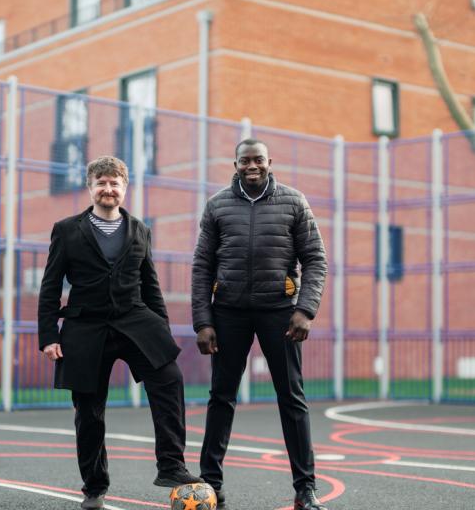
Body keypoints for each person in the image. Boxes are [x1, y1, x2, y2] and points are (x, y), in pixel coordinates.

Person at [38, 156, 201, 510]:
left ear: (125, 188)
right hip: (85, 326)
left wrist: (161, 329)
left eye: (115, 183)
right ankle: (94, 486)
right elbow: (50, 286)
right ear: (91, 187)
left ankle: (171, 466)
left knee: (169, 379)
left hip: (135, 320)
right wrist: (49, 335)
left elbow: (150, 284)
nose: (108, 189)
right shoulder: (66, 230)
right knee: (89, 411)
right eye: (102, 182)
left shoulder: (141, 230)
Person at [192, 139, 329, 510]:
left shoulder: (293, 201)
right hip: (229, 313)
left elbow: (315, 258)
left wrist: (305, 310)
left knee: (292, 399)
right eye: (244, 161)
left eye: (258, 160)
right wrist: (203, 321)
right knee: (221, 397)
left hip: (280, 313)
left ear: (270, 162)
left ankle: (306, 490)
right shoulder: (217, 204)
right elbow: (202, 266)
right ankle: (210, 485)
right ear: (234, 164)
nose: (252, 166)